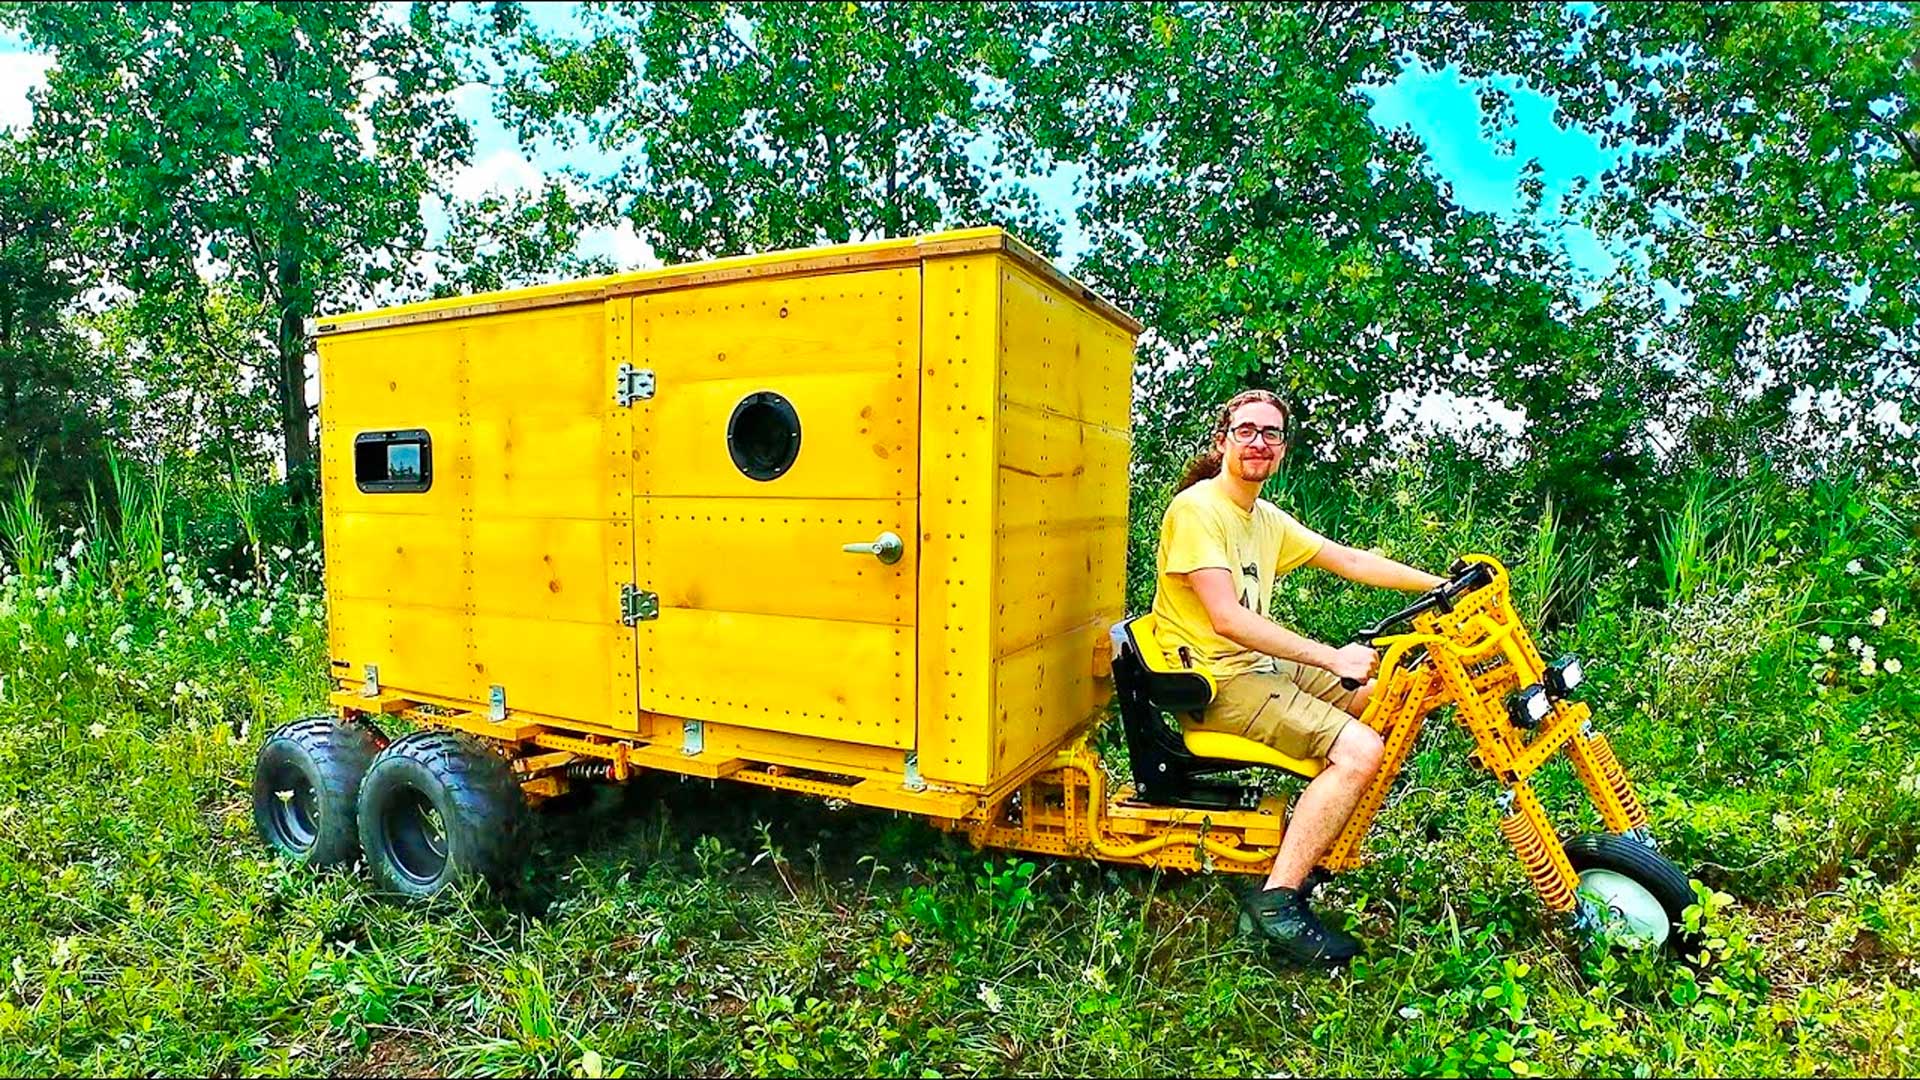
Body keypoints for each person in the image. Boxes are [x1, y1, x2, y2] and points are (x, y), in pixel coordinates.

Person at [1150, 388, 1444, 963]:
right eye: (1247, 431)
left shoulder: (1263, 518)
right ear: (1223, 439)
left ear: (1282, 449)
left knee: (1382, 692)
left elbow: (1352, 560)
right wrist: (1331, 657)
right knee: (1361, 752)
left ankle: (1310, 832)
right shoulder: (1197, 510)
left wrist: (1440, 585)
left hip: (1253, 667)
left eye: (1271, 434)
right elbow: (1228, 619)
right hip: (1216, 680)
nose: (1258, 442)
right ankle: (1279, 904)